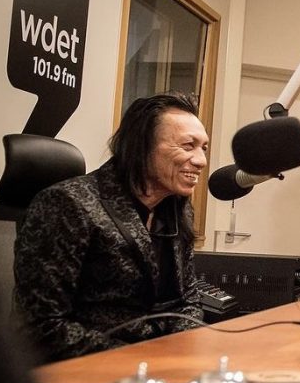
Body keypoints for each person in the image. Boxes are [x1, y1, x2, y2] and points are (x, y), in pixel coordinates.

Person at [14, 92, 209, 363]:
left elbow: (187, 303)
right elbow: (42, 328)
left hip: (157, 369)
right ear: (142, 146)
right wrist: (143, 360)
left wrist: (184, 351)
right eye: (188, 146)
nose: (201, 161)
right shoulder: (67, 204)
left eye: (204, 148)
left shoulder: (176, 208)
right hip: (86, 372)